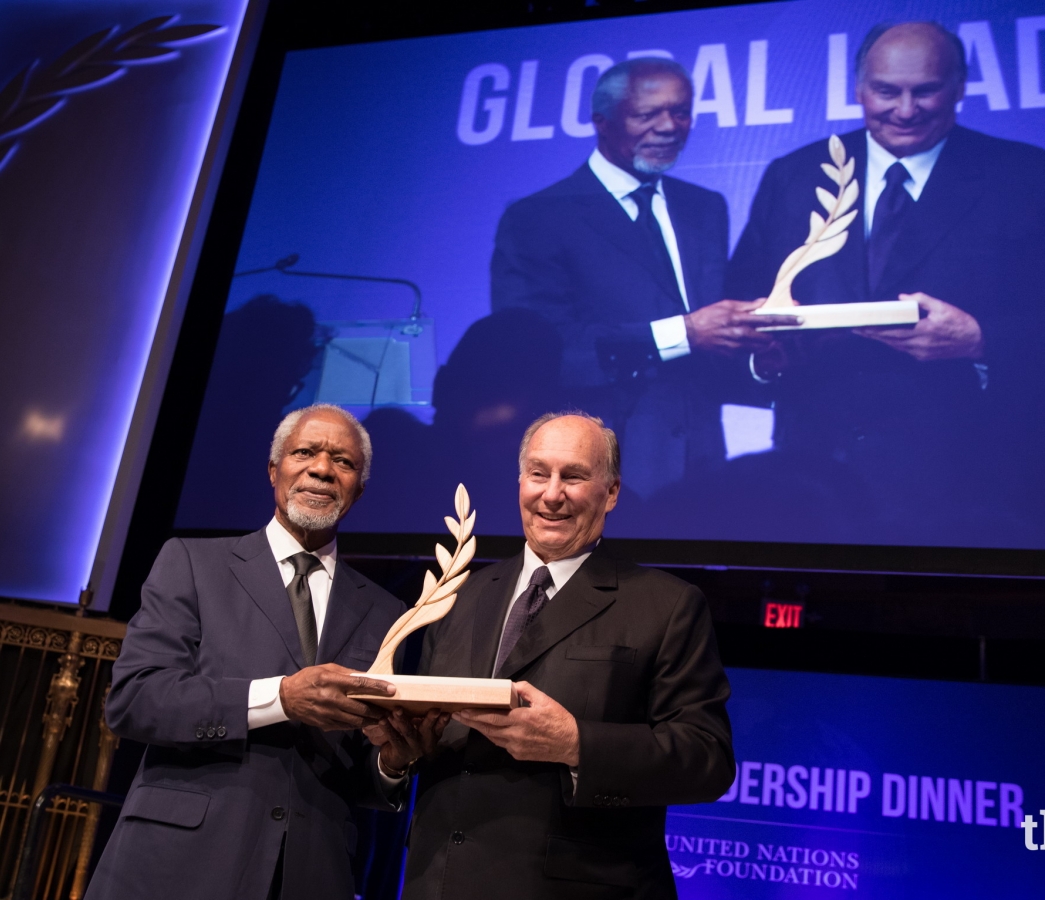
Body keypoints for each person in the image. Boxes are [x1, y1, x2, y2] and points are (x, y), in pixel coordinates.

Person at [725, 22, 1045, 548]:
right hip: (816, 486)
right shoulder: (793, 176)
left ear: (959, 88)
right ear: (858, 90)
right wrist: (767, 356)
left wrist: (980, 340)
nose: (905, 109)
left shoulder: (1041, 181)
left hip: (979, 490)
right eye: (887, 91)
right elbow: (744, 306)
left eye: (925, 90)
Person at [379, 411, 734, 899]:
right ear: (520, 482)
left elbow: (707, 759)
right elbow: (427, 746)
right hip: (440, 882)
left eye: (574, 476)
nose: (551, 494)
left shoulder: (667, 605)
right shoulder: (456, 596)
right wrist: (399, 757)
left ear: (610, 493)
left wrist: (576, 745)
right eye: (539, 473)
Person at [88, 404, 427, 900]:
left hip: (309, 874)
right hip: (176, 866)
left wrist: (392, 765)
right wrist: (281, 698)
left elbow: (360, 769)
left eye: (343, 462)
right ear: (274, 470)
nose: (322, 469)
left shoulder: (385, 610)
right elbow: (135, 700)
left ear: (359, 488)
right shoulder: (192, 563)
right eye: (305, 452)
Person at [491, 58, 796, 499]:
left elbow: (710, 337)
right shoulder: (537, 218)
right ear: (602, 122)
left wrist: (757, 356)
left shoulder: (704, 208)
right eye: (646, 114)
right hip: (604, 466)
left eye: (680, 112)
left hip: (704, 462)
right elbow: (537, 351)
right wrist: (682, 334)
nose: (669, 126)